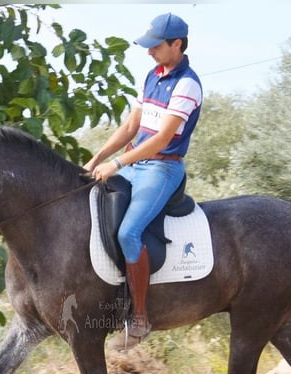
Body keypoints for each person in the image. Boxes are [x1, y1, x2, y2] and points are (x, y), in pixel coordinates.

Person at [84, 12, 203, 350]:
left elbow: (162, 139)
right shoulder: (153, 75)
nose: (149, 52)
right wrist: (96, 158)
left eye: (156, 46)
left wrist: (117, 162)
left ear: (176, 45)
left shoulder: (187, 84)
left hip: (161, 169)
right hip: (136, 164)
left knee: (128, 232)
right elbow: (131, 127)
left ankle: (139, 319)